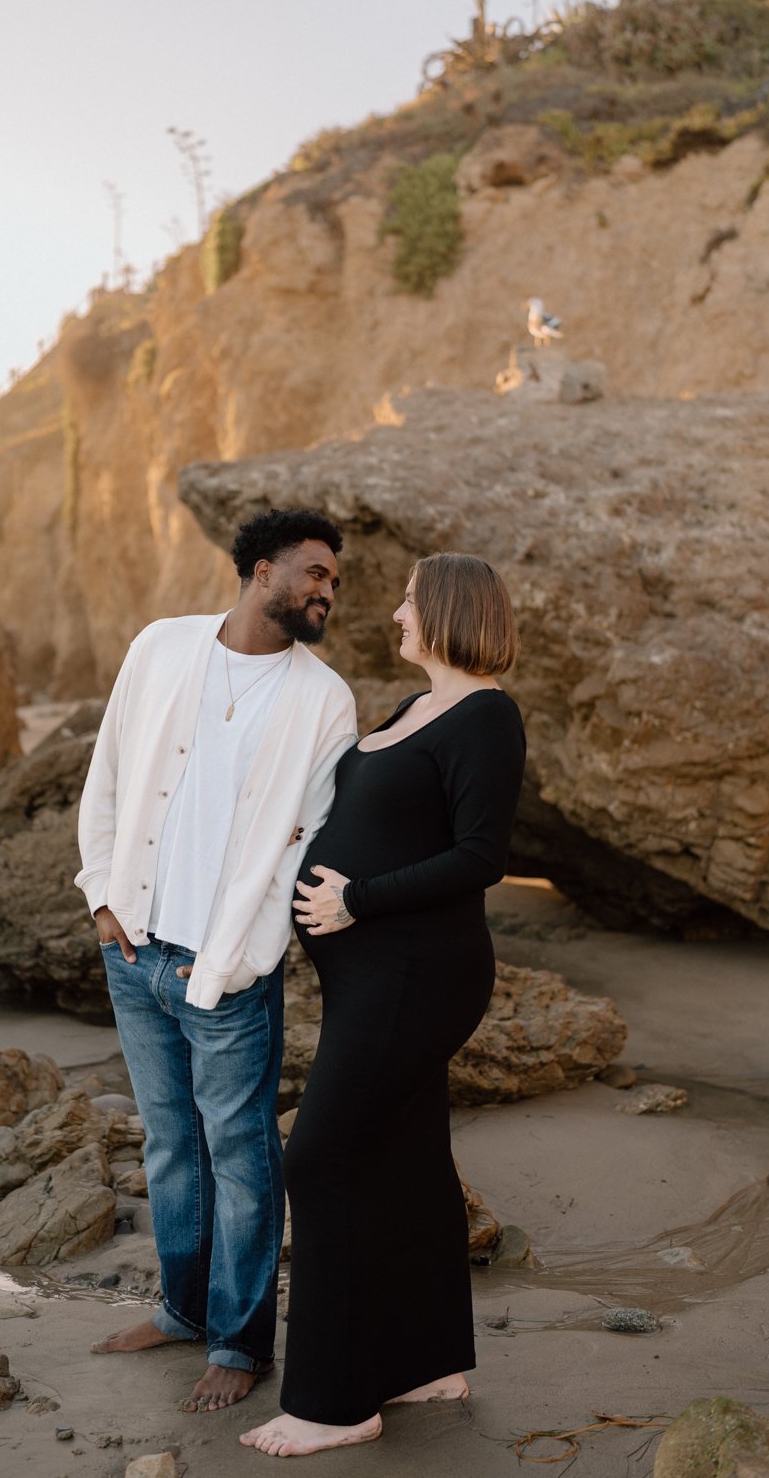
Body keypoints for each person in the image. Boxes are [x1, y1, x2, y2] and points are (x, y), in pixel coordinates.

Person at [241, 551, 526, 1457]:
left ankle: (334, 1402)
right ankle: (427, 1363)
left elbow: (482, 857)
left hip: (419, 972)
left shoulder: (487, 718)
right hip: (377, 973)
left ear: (444, 609)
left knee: (320, 1163)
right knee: (405, 1157)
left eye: (408, 599)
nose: (396, 612)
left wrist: (354, 901)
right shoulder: (418, 708)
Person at [76, 508, 356, 1415]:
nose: (326, 592)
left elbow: (299, 846)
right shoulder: (162, 646)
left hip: (228, 971)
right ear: (261, 569)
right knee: (168, 1146)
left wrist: (245, 958)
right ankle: (181, 1309)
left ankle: (240, 1343)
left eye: (335, 584)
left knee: (239, 1157)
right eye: (315, 573)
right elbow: (109, 767)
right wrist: (102, 892)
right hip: (136, 947)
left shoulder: (325, 700)